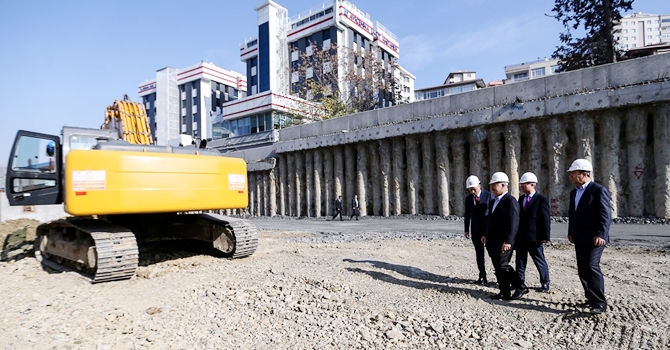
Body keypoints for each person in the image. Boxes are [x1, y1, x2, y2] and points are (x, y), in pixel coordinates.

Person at [567, 158, 611, 314]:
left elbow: (605, 214)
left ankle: (599, 302)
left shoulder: (598, 190)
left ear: (584, 174)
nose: (570, 176)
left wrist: (601, 234)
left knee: (592, 266)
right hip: (579, 237)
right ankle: (590, 298)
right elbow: (574, 215)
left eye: (573, 173)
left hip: (595, 239)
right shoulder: (574, 193)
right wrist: (571, 232)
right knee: (582, 269)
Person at [482, 172, 526, 300]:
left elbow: (514, 223)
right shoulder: (493, 201)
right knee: (497, 266)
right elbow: (490, 220)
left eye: (494, 185)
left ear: (503, 185)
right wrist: (486, 234)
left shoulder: (510, 201)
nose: (492, 188)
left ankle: (520, 286)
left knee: (503, 265)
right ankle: (504, 291)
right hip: (493, 241)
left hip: (504, 242)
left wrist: (508, 241)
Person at [516, 172, 551, 293]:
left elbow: (545, 220)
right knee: (520, 261)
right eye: (521, 184)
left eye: (524, 184)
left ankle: (545, 282)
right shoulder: (520, 199)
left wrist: (545, 236)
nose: (521, 186)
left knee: (539, 260)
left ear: (532, 184)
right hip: (521, 237)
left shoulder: (541, 200)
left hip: (535, 237)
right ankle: (519, 282)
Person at [463, 175, 492, 284]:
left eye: (474, 189)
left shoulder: (489, 196)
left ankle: (499, 276)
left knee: (492, 253)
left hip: (488, 230)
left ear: (479, 185)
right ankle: (482, 276)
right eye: (470, 189)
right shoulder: (469, 198)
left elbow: (492, 214)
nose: (472, 191)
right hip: (475, 230)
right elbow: (467, 215)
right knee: (479, 254)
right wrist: (466, 229)